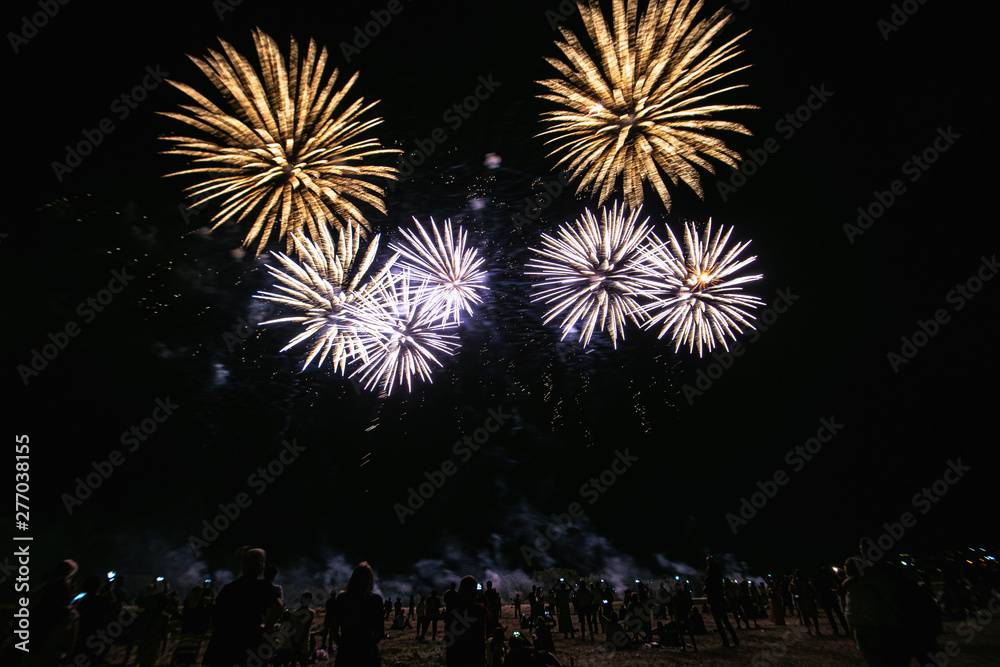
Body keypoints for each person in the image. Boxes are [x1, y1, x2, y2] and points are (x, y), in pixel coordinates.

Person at [203, 548, 283, 667]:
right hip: (248, 643)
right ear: (261, 565)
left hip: (222, 644)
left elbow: (214, 616)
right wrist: (267, 627)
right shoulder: (263, 588)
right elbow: (278, 607)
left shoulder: (229, 588)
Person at [328, 562, 385, 667]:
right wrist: (368, 644)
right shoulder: (375, 600)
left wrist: (343, 645)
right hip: (367, 653)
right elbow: (380, 632)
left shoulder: (342, 599)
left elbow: (333, 629)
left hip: (346, 654)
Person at [444, 575, 492, 667]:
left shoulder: (453, 615)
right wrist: (482, 596)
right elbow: (491, 615)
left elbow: (448, 645)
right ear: (475, 592)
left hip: (459, 660)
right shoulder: (480, 610)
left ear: (461, 591)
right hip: (476, 660)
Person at [704, 556, 739, 647]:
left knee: (719, 623)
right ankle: (735, 639)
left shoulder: (710, 580)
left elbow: (706, 589)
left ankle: (726, 641)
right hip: (720, 600)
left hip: (714, 601)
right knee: (726, 621)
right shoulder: (718, 578)